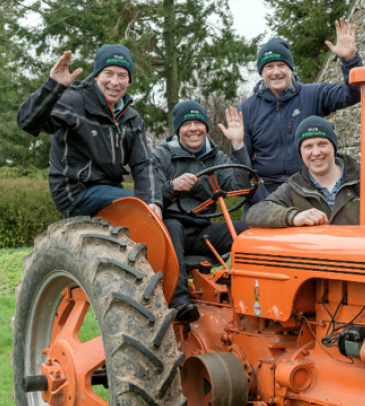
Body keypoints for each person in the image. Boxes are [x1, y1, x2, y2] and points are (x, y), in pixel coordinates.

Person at [17, 46, 161, 219]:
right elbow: (26, 121)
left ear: (129, 82)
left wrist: (153, 201)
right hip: (76, 192)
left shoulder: (132, 120)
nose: (114, 82)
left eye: (122, 76)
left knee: (152, 209)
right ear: (96, 75)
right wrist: (54, 86)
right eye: (108, 73)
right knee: (133, 205)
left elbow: (144, 163)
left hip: (110, 190)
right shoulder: (74, 102)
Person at [239, 18, 363, 204]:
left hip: (311, 189)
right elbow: (243, 164)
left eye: (282, 65)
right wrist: (260, 198)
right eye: (269, 67)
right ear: (261, 72)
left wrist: (350, 61)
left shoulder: (314, 94)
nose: (276, 72)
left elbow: (353, 93)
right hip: (266, 193)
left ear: (290, 68)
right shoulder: (247, 109)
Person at [153, 100, 251, 323]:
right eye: (187, 124)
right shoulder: (161, 155)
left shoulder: (216, 157)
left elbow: (240, 188)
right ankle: (180, 302)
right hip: (169, 232)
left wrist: (238, 145)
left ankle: (253, 294)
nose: (194, 128)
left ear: (206, 127)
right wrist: (172, 186)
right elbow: (148, 194)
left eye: (199, 122)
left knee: (251, 229)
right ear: (178, 129)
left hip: (202, 233)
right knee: (174, 225)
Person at [246, 116, 365, 228]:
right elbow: (255, 213)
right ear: (300, 152)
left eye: (322, 144)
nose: (316, 152)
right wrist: (293, 216)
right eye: (308, 146)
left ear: (333, 147)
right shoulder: (294, 187)